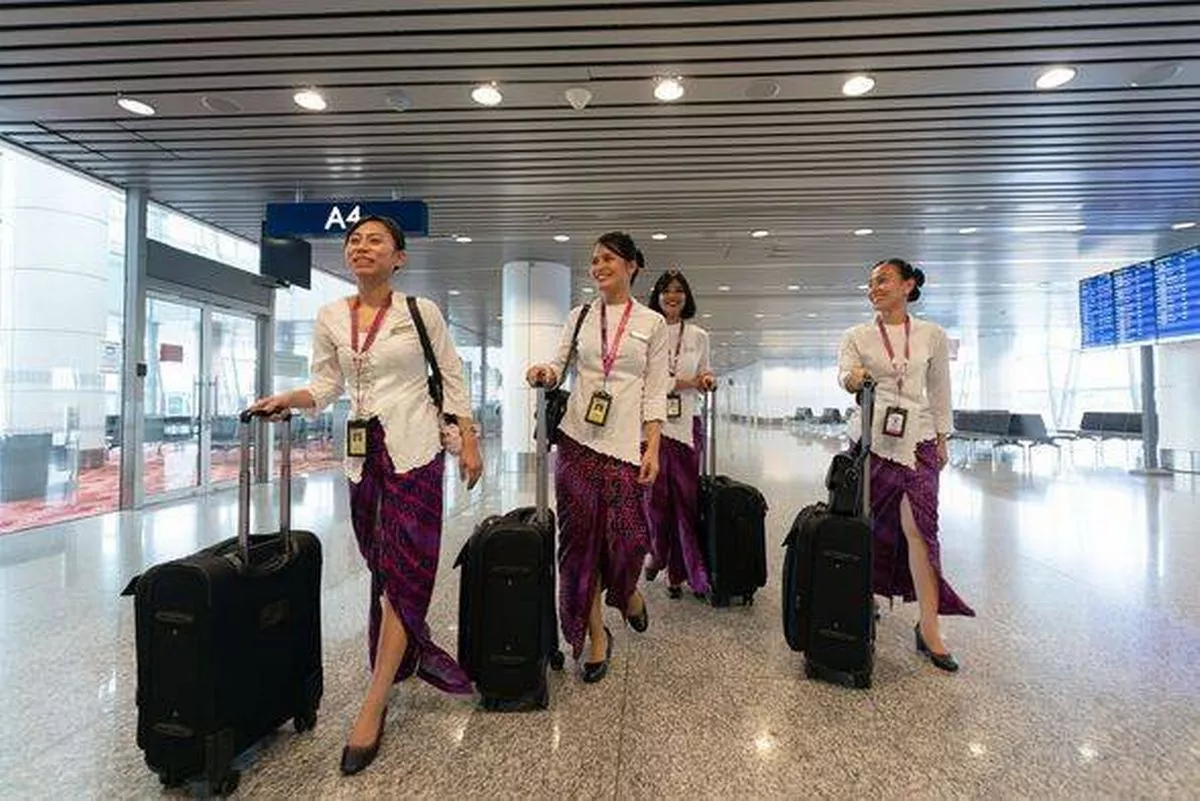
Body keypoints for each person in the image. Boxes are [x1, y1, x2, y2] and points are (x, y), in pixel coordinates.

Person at [249, 216, 482, 774]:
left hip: (416, 449)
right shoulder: (332, 316)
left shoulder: (420, 312)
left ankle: (372, 705)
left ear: (398, 257)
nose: (361, 246)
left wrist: (469, 440)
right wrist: (290, 397)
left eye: (375, 239)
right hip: (362, 457)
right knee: (382, 568)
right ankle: (400, 659)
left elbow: (452, 377)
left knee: (405, 570)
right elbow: (327, 385)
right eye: (354, 240)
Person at [525, 232, 670, 683]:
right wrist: (545, 372)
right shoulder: (581, 316)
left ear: (631, 266)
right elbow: (559, 362)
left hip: (626, 445)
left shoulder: (651, 323)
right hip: (577, 442)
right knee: (580, 545)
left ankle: (626, 593)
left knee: (628, 539)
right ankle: (596, 637)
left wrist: (653, 446)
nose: (599, 266)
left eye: (608, 258)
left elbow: (654, 389)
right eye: (594, 260)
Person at [837, 258, 975, 672]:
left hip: (919, 441)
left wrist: (943, 438)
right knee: (870, 525)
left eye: (883, 281)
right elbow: (844, 376)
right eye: (871, 283)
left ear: (908, 285)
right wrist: (855, 376)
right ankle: (866, 595)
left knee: (921, 530)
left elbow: (939, 389)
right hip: (873, 442)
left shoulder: (931, 334)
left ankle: (929, 626)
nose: (874, 288)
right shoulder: (858, 335)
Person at [642, 269, 716, 600]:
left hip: (687, 425)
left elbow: (705, 371)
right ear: (656, 296)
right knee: (656, 503)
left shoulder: (699, 335)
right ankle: (658, 554)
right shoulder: (646, 331)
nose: (672, 296)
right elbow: (645, 380)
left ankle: (684, 571)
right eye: (666, 290)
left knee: (686, 502)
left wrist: (707, 379)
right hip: (652, 427)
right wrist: (685, 383)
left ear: (686, 297)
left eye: (679, 291)